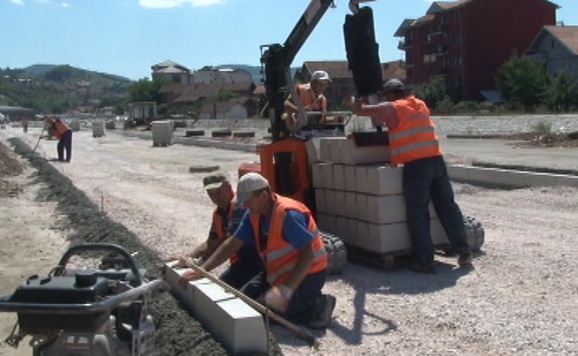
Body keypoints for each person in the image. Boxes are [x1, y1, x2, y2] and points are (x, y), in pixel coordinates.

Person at [179, 172, 336, 329]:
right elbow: (233, 243)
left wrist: (286, 290)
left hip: (309, 274)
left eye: (248, 201)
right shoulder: (252, 215)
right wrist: (203, 269)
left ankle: (318, 305)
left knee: (266, 315)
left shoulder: (289, 215)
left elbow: (308, 256)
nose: (245, 206)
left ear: (263, 195)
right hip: (277, 272)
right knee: (243, 304)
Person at [351, 79, 473, 273]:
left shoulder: (392, 107)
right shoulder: (419, 104)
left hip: (417, 166)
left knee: (418, 211)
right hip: (436, 160)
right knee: (447, 206)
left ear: (390, 94)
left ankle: (425, 261)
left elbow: (359, 111)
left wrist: (359, 96)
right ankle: (463, 250)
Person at [180, 172, 262, 289]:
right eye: (210, 194)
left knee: (247, 296)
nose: (215, 197)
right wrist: (189, 257)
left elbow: (230, 241)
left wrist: (200, 265)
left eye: (218, 192)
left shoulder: (240, 205)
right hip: (243, 263)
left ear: (228, 188)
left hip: (259, 262)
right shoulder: (219, 213)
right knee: (222, 287)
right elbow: (211, 242)